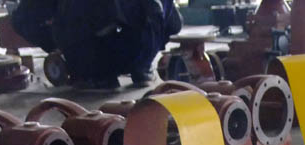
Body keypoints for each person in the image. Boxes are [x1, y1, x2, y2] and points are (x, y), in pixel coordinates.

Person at [12, 0, 182, 89]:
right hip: (138, 52)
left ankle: (96, 75)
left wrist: (56, 45)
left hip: (92, 62)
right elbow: (174, 25)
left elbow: (23, 20)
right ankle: (141, 68)